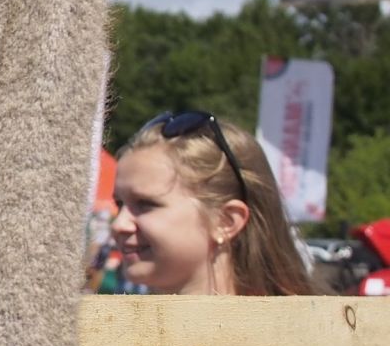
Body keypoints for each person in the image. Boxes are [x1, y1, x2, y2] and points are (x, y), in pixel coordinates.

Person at [111, 110, 315, 296]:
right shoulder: (112, 331)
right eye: (120, 203)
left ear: (225, 221)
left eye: (146, 204)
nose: (119, 224)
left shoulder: (290, 333)